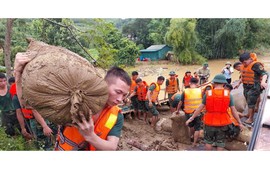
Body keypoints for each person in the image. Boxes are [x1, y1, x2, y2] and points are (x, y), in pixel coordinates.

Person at [14, 53, 131, 151]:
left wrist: (90, 136)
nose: (120, 99)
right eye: (118, 92)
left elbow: (111, 147)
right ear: (104, 84)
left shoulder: (116, 115)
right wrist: (18, 75)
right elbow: (27, 104)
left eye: (124, 95)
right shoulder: (78, 99)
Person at [186, 74, 244, 151]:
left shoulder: (208, 93)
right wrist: (240, 123)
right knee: (220, 143)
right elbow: (233, 110)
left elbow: (200, 107)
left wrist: (191, 118)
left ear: (214, 83)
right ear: (224, 84)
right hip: (223, 122)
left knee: (208, 141)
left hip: (209, 122)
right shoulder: (228, 94)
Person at [236, 53, 268, 124]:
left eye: (245, 62)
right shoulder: (244, 66)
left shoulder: (256, 65)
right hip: (246, 86)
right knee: (248, 99)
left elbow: (264, 74)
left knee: (251, 100)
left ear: (250, 59)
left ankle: (251, 119)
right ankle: (248, 114)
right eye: (242, 63)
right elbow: (243, 76)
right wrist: (238, 84)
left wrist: (262, 82)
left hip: (254, 86)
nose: (244, 64)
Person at [176, 77, 202, 147]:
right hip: (198, 112)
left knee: (191, 126)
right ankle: (195, 143)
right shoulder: (200, 91)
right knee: (198, 128)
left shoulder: (185, 91)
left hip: (188, 112)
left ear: (189, 83)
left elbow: (180, 102)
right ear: (197, 84)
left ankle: (191, 137)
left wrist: (177, 110)